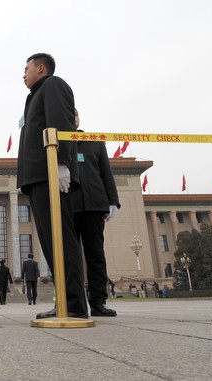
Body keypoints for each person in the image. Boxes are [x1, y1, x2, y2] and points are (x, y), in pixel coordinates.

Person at [17, 53, 88, 319]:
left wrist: (60, 163)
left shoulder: (53, 85)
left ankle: (74, 306)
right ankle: (66, 303)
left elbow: (61, 124)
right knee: (51, 242)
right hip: (37, 178)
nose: (23, 74)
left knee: (62, 240)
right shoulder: (34, 96)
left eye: (26, 69)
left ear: (41, 68)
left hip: (49, 174)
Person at [72, 109, 120, 317]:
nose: (72, 119)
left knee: (95, 257)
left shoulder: (94, 142)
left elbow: (106, 173)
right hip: (68, 207)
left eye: (74, 116)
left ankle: (98, 302)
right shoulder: (57, 143)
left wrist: (113, 201)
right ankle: (73, 302)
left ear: (78, 119)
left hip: (93, 205)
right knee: (70, 257)